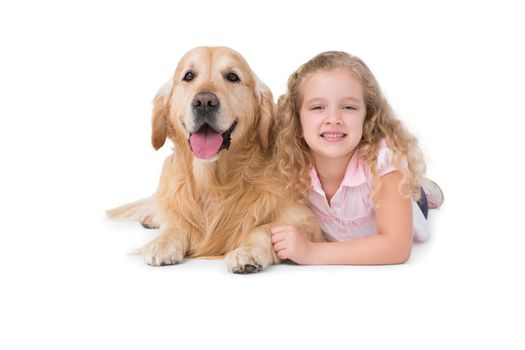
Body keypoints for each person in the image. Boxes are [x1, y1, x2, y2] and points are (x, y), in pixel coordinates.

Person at [270, 51, 444, 265]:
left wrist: (311, 253)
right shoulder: (290, 163)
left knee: (411, 194)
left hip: (401, 210)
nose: (333, 119)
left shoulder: (383, 160)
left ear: (367, 117)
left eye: (349, 107)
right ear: (297, 120)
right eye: (317, 107)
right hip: (342, 229)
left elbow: (396, 247)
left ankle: (421, 190)